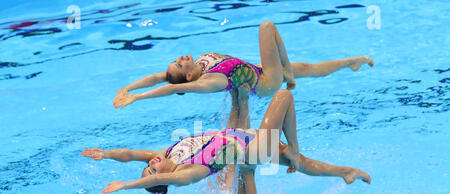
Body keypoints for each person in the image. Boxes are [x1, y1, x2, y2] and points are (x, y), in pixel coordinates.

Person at [82, 89, 371, 194]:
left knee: (301, 163)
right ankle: (293, 148)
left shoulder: (167, 153)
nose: (151, 163)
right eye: (153, 171)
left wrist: (105, 154)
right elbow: (151, 181)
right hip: (250, 150)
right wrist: (126, 186)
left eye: (148, 166)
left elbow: (131, 154)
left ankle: (345, 172)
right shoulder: (185, 175)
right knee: (283, 97)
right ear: (166, 178)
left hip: (244, 138)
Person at [112, 21, 374, 108]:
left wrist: (128, 86)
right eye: (180, 66)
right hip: (265, 82)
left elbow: (160, 78)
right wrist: (137, 99)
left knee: (308, 67)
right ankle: (289, 75)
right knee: (267, 27)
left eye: (176, 61)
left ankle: (351, 62)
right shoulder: (209, 82)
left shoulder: (201, 62)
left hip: (257, 69)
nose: (180, 59)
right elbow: (169, 88)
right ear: (189, 77)